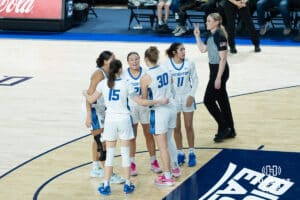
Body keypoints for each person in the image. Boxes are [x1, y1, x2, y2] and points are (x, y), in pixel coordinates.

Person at [83, 59, 169, 195]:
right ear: (120, 70)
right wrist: (158, 100)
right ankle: (127, 184)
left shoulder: (103, 84)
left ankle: (106, 184)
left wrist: (85, 94)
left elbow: (91, 100)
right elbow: (140, 101)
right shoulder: (126, 84)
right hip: (124, 120)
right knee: (125, 153)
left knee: (109, 154)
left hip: (110, 120)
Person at [140, 46, 181, 186]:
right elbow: (171, 85)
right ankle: (175, 168)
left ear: (146, 59)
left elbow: (145, 101)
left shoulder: (145, 77)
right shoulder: (165, 69)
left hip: (159, 112)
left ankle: (167, 176)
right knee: (169, 141)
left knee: (162, 146)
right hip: (171, 108)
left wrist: (137, 97)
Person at [193, 13, 236, 143]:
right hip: (214, 70)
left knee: (208, 100)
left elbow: (223, 59)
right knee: (222, 100)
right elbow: (203, 49)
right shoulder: (210, 34)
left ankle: (223, 127)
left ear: (217, 22)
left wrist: (218, 78)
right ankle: (230, 129)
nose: (206, 23)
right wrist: (197, 36)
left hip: (220, 70)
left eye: (209, 21)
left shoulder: (220, 35)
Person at [84, 51, 125, 184]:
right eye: (111, 58)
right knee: (102, 142)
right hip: (95, 110)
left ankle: (95, 168)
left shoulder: (110, 72)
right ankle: (109, 174)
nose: (114, 60)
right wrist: (89, 114)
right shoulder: (98, 74)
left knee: (98, 140)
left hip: (103, 110)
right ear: (104, 61)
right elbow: (89, 94)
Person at [122, 52, 162, 176]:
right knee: (132, 137)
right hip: (131, 109)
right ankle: (132, 163)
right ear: (128, 62)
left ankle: (153, 161)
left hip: (145, 108)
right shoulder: (123, 75)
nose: (134, 62)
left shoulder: (146, 72)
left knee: (149, 135)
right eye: (131, 60)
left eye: (136, 59)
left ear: (140, 60)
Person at [163, 43, 199, 167]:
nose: (184, 52)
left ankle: (192, 152)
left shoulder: (190, 63)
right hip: (174, 98)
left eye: (184, 49)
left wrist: (192, 95)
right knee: (176, 128)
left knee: (189, 126)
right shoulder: (166, 65)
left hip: (187, 96)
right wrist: (169, 98)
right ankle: (179, 153)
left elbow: (195, 80)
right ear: (174, 52)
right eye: (181, 50)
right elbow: (166, 84)